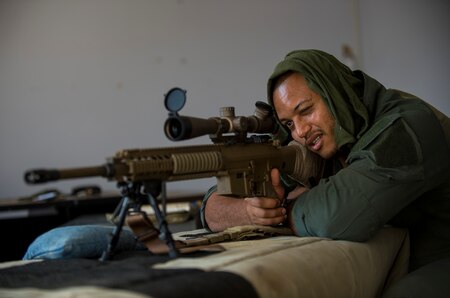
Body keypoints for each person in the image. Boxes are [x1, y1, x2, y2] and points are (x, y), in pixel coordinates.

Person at [200, 49, 450, 297]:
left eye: (306, 110)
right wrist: (249, 212)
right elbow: (215, 202)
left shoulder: (408, 127)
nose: (300, 132)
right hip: (402, 259)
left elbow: (339, 214)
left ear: (335, 94)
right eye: (288, 123)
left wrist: (282, 210)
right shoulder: (332, 140)